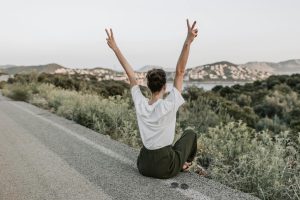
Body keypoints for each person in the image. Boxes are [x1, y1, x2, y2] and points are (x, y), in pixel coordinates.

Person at [105, 19, 198, 179]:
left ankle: (180, 163)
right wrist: (188, 41)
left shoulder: (140, 103)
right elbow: (180, 71)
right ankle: (185, 164)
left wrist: (115, 48)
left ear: (148, 86)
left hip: (143, 164)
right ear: (165, 87)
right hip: (164, 167)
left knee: (171, 146)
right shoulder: (170, 103)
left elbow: (131, 75)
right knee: (190, 134)